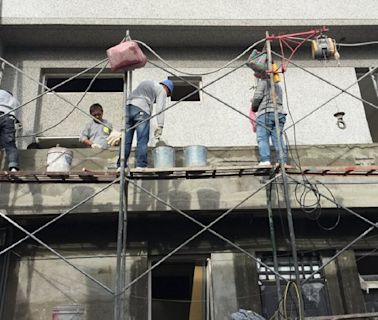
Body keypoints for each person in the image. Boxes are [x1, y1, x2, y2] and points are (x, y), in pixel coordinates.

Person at [107, 79, 174, 169]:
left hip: (128, 109)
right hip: (141, 111)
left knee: (126, 140)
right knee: (142, 139)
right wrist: (160, 126)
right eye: (167, 94)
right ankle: (141, 165)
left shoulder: (148, 84)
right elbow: (160, 109)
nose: (165, 96)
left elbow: (148, 108)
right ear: (167, 88)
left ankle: (121, 165)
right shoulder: (161, 90)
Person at [251, 74, 287, 166]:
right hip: (279, 114)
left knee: (262, 137)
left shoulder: (263, 82)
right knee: (277, 137)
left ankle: (265, 160)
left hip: (266, 113)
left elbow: (257, 97)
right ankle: (282, 160)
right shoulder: (278, 86)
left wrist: (254, 107)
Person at [0, 89, 20, 172]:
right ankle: (13, 167)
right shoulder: (14, 100)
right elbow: (17, 115)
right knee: (10, 145)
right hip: (8, 118)